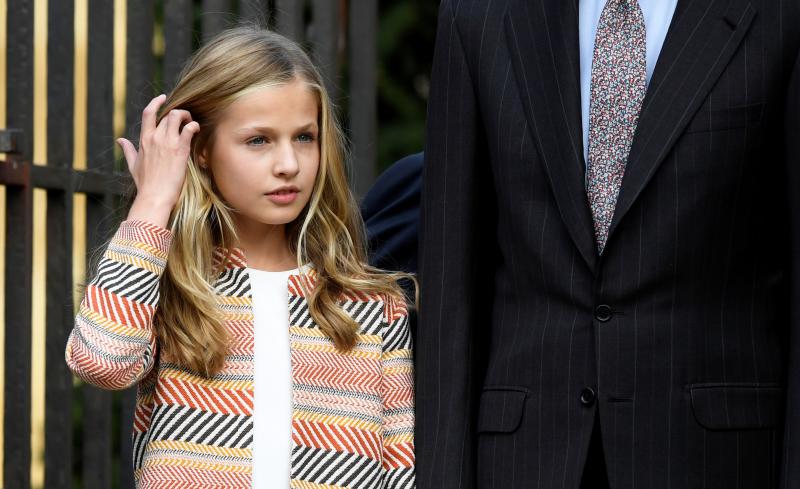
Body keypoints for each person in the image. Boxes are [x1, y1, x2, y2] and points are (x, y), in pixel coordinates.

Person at [417, 1, 800, 488]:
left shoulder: (779, 15)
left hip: (714, 457)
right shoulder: (479, 16)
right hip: (525, 460)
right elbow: (451, 286)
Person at [65, 26, 415, 488]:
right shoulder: (170, 287)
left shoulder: (372, 304)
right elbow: (102, 363)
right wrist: (152, 204)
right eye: (259, 140)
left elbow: (399, 470)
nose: (288, 163)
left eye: (304, 137)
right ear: (203, 150)